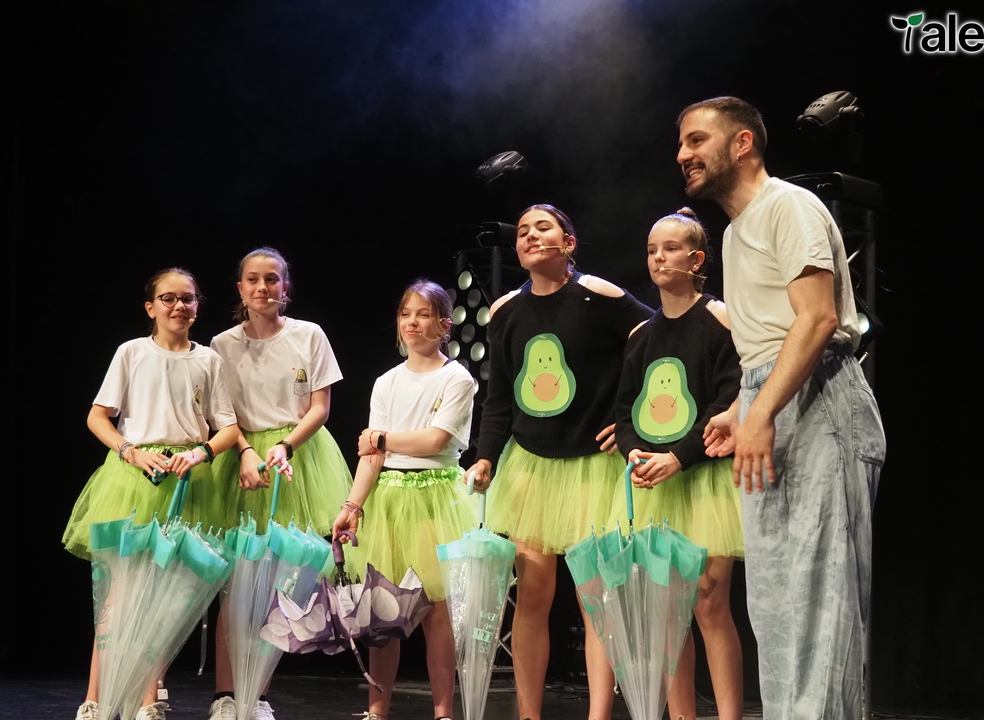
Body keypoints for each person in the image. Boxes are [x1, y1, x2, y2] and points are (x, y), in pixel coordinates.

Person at [676, 96, 885, 719]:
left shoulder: (787, 205)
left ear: (742, 143)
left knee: (820, 601)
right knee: (775, 603)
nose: (683, 154)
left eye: (696, 140)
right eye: (681, 144)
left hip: (822, 402)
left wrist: (762, 410)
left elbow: (816, 318)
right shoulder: (735, 232)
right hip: (771, 400)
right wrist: (744, 407)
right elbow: (765, 342)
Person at [467, 205, 652, 720]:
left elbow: (660, 339)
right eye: (523, 231)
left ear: (569, 242)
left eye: (542, 227)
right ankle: (528, 714)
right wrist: (486, 458)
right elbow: (499, 398)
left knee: (596, 598)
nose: (530, 235)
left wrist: (629, 418)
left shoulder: (598, 295)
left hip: (593, 465)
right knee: (531, 595)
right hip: (531, 465)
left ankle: (598, 715)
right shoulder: (506, 311)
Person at [63, 268, 240, 720]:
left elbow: (227, 427)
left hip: (187, 483)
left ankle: (148, 699)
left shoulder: (209, 360)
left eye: (188, 298)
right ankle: (96, 698)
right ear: (151, 307)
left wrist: (200, 453)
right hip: (135, 479)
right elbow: (98, 416)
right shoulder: (132, 352)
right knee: (118, 595)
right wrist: (130, 451)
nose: (179, 306)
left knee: (165, 599)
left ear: (198, 305)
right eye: (168, 298)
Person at [207, 247, 354, 720]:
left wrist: (285, 446)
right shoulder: (221, 344)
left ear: (285, 287)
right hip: (241, 459)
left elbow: (320, 407)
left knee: (278, 586)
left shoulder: (309, 335)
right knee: (235, 586)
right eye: (253, 279)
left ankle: (256, 696)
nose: (263, 287)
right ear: (240, 288)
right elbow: (222, 414)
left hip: (296, 458)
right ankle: (225, 696)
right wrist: (246, 452)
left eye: (272, 279)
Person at [613, 208, 745, 720]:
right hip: (657, 483)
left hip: (704, 478)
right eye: (652, 250)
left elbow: (728, 401)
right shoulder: (640, 336)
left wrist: (679, 456)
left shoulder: (718, 319)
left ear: (696, 259)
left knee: (709, 603)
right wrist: (633, 452)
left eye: (670, 249)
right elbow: (626, 410)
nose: (658, 258)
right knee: (668, 613)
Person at [333, 279, 477, 720]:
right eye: (405, 314)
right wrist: (352, 506)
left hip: (436, 497)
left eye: (423, 314)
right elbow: (372, 457)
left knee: (437, 611)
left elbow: (435, 440)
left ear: (444, 325)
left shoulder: (457, 378)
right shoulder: (387, 382)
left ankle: (443, 712)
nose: (412, 322)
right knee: (383, 612)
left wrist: (380, 438)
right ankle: (377, 710)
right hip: (390, 499)